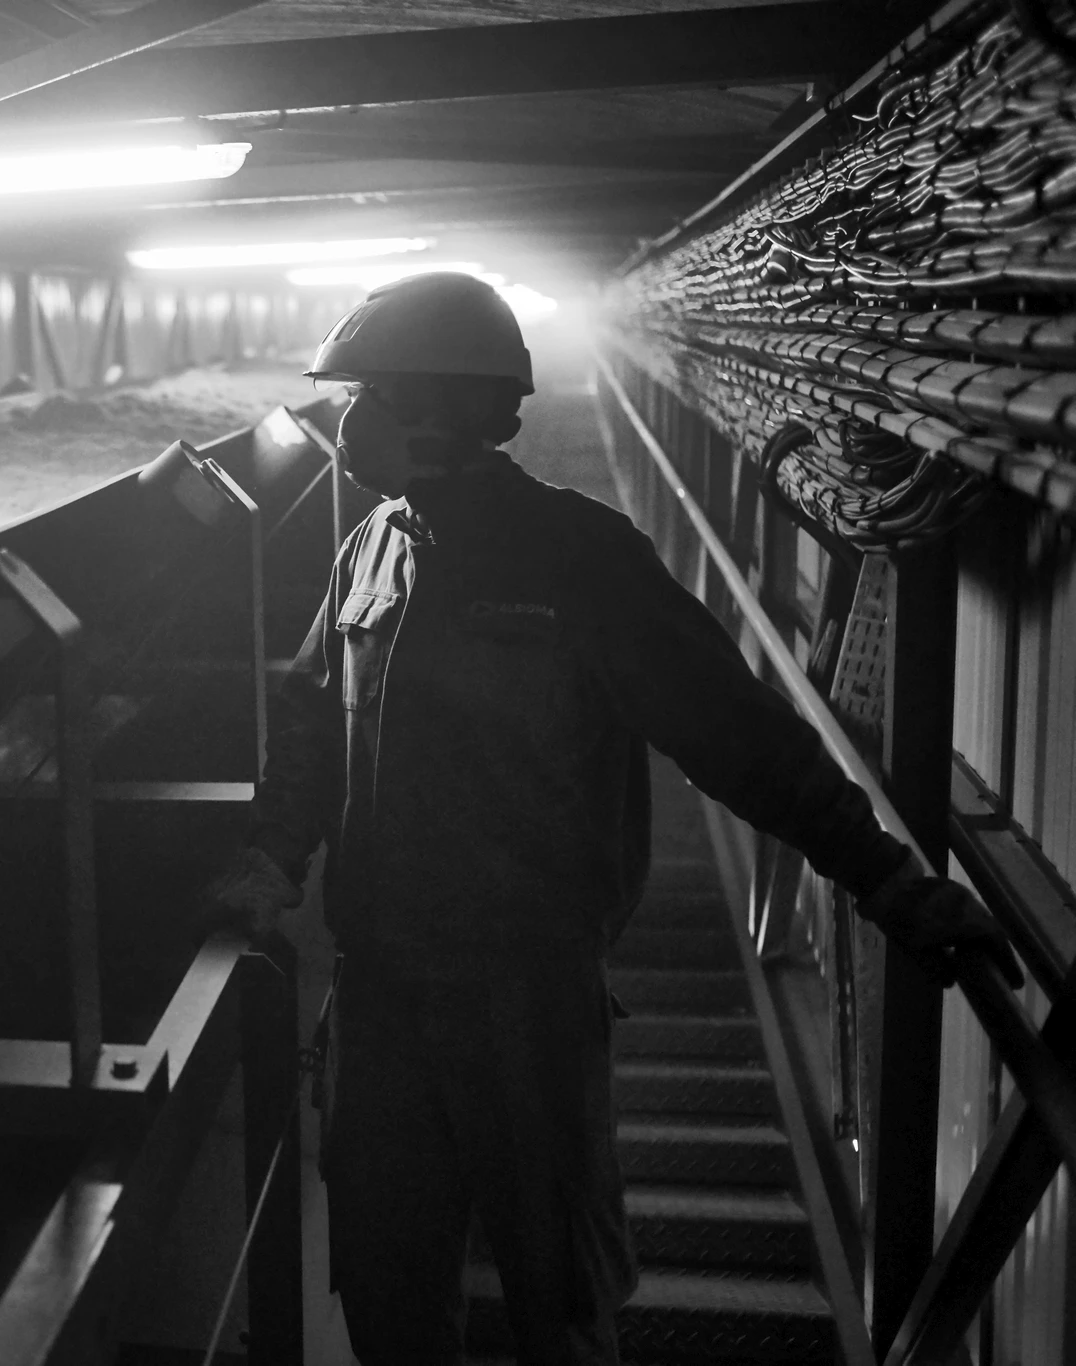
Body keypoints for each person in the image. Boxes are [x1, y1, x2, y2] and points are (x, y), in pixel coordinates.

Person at [207, 271, 1022, 1365]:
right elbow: (311, 715)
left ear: (450, 408)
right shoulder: (370, 549)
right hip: (380, 995)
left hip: (524, 1005)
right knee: (385, 1283)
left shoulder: (580, 559)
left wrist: (882, 878)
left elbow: (735, 733)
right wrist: (272, 847)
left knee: (557, 1292)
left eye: (373, 394)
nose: (349, 422)